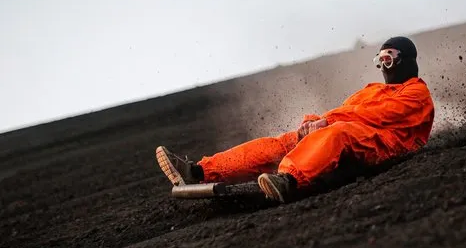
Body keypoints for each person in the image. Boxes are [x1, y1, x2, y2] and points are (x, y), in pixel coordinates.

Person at [156, 36, 435, 203]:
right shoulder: (372, 90)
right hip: (355, 134)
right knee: (286, 140)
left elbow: (376, 116)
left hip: (389, 145)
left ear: (406, 60)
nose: (383, 66)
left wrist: (326, 123)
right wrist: (312, 123)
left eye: (389, 58)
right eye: (380, 59)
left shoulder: (417, 93)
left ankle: (288, 180)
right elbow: (346, 111)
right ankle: (200, 171)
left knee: (340, 132)